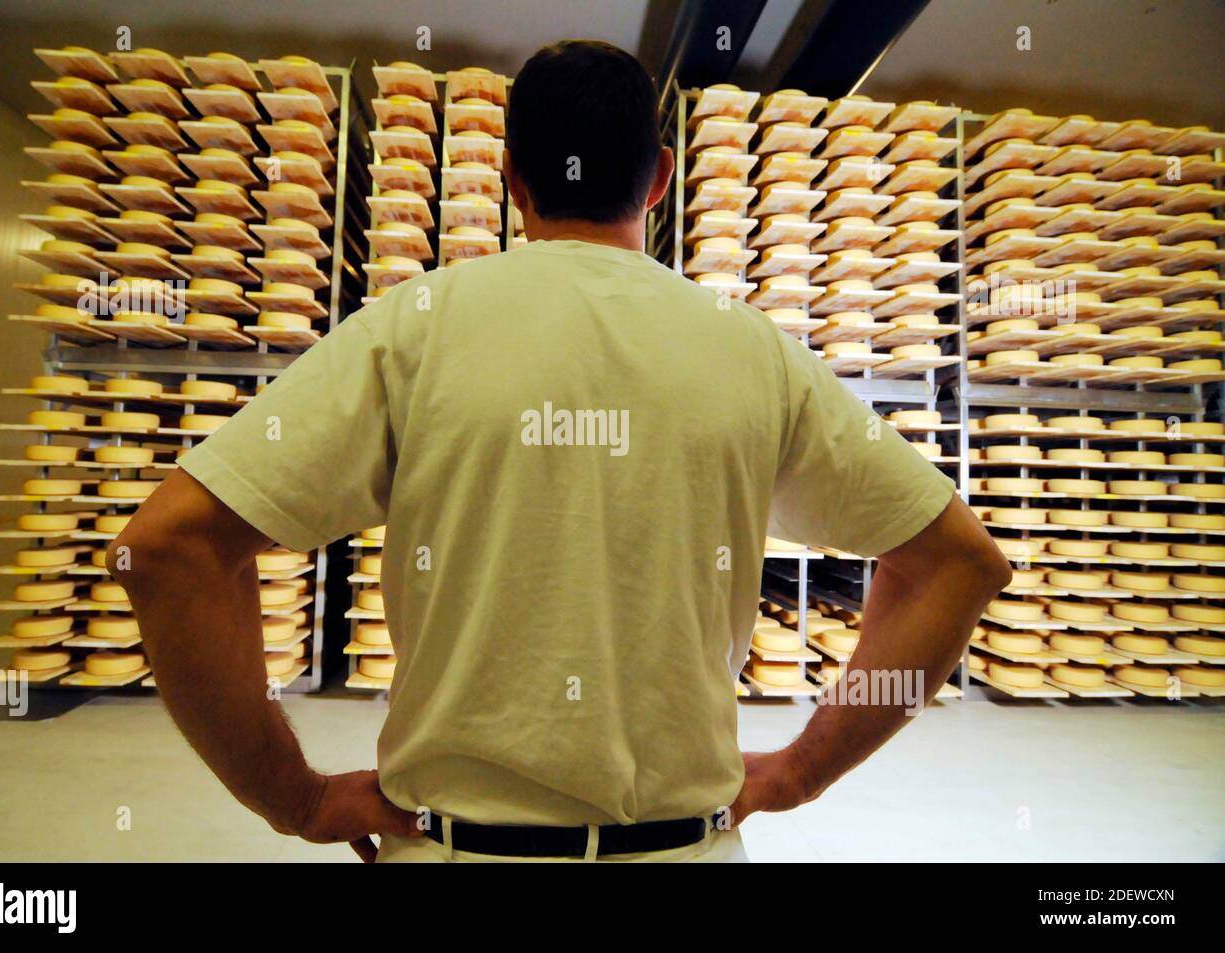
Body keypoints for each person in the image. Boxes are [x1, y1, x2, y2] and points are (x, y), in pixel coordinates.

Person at [110, 39, 1010, 863]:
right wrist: (800, 771)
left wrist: (294, 798)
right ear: (659, 180)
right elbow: (956, 564)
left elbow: (167, 547)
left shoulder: (414, 332)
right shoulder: (750, 351)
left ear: (511, 179)